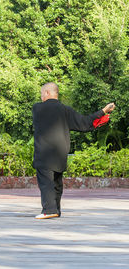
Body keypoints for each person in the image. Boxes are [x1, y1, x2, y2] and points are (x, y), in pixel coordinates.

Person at [32, 82, 115, 219]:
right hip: (60, 153)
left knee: (46, 182)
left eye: (42, 94)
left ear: (47, 93)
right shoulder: (66, 110)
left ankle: (49, 210)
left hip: (44, 153)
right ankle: (56, 210)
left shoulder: (37, 108)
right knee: (57, 182)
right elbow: (85, 123)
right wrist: (103, 111)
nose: (41, 97)